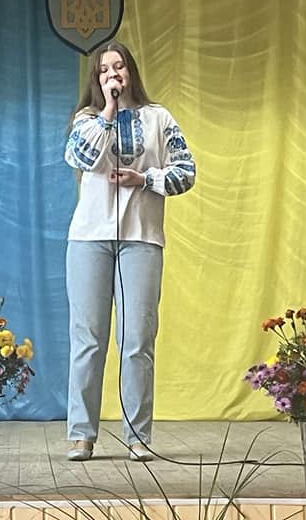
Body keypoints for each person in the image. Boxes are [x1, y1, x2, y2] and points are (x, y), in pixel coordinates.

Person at [63, 41, 196, 462]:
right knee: (88, 340)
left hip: (142, 239)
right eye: (104, 70)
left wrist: (145, 179)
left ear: (131, 72)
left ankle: (138, 436)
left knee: (137, 340)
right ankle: (82, 435)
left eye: (118, 67)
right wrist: (107, 111)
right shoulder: (87, 120)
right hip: (89, 240)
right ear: (97, 80)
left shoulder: (159, 118)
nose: (112, 75)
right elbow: (79, 157)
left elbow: (186, 172)